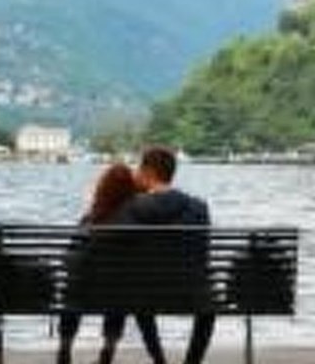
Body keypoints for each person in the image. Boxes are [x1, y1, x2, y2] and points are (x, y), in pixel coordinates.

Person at [57, 162, 167, 364]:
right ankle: (108, 350)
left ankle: (65, 349)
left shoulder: (90, 219)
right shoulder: (137, 220)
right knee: (120, 288)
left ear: (103, 188)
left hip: (82, 294)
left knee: (75, 288)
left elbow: (69, 258)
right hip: (119, 296)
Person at [124, 145, 214, 364]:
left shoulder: (133, 207)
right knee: (208, 306)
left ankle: (159, 361)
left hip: (148, 294)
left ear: (149, 171)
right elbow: (202, 252)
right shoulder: (199, 207)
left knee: (136, 295)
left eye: (139, 169)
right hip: (193, 293)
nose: (136, 173)